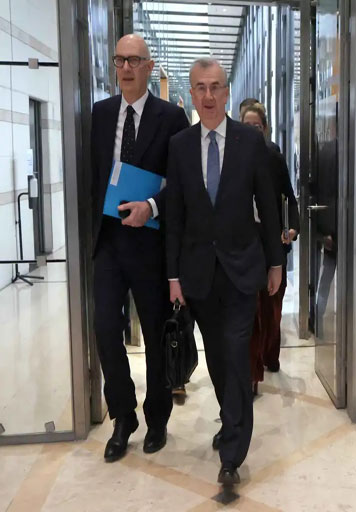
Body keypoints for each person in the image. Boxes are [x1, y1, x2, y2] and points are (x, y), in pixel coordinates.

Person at [166, 58, 284, 486]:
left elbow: (267, 205)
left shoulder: (249, 142)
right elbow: (175, 215)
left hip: (242, 269)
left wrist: (275, 262)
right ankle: (230, 416)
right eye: (200, 87)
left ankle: (232, 453)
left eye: (216, 86)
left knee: (235, 354)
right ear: (192, 94)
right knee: (217, 358)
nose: (209, 96)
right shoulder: (180, 145)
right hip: (199, 274)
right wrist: (173, 277)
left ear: (227, 91)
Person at [90, 33, 189, 463]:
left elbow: (182, 181)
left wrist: (152, 206)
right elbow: (93, 174)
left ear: (149, 67)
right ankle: (123, 416)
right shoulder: (100, 114)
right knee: (105, 328)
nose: (126, 68)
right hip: (109, 242)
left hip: (151, 243)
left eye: (134, 60)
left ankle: (157, 417)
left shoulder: (171, 117)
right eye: (119, 60)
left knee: (154, 333)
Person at [241, 103, 300, 384]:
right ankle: (252, 374)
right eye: (247, 126)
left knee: (272, 308)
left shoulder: (273, 157)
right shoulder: (231, 158)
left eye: (257, 126)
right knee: (250, 312)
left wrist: (293, 228)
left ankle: (269, 355)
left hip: (272, 243)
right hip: (244, 245)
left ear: (264, 129)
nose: (253, 131)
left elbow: (290, 198)